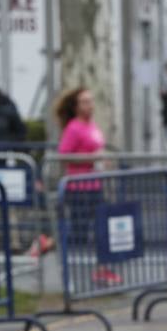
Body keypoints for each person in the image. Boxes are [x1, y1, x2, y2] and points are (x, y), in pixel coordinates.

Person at [55, 86, 120, 285]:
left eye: (91, 101)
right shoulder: (74, 127)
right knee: (79, 234)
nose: (89, 105)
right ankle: (49, 246)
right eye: (84, 101)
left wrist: (102, 160)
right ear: (75, 106)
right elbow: (64, 155)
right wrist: (90, 159)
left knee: (103, 229)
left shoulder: (92, 125)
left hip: (95, 186)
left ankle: (102, 270)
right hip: (79, 189)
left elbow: (97, 150)